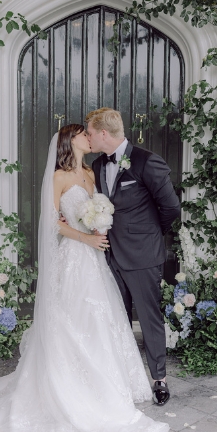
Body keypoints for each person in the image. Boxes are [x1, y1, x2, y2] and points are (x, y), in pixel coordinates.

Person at [0, 123, 170, 432]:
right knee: (72, 320)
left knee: (101, 319)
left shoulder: (93, 172)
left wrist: (100, 230)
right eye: (83, 134)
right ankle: (72, 387)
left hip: (97, 259)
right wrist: (84, 237)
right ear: (69, 140)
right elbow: (51, 221)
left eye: (91, 133)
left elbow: (107, 210)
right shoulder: (58, 177)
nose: (90, 137)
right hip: (74, 257)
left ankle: (108, 384)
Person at [83, 107, 181, 406]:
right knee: (117, 317)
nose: (87, 137)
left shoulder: (147, 161)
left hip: (143, 255)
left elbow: (171, 208)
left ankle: (159, 379)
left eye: (89, 132)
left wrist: (150, 234)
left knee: (149, 318)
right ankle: (123, 376)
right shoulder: (98, 165)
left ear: (103, 133)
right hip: (109, 255)